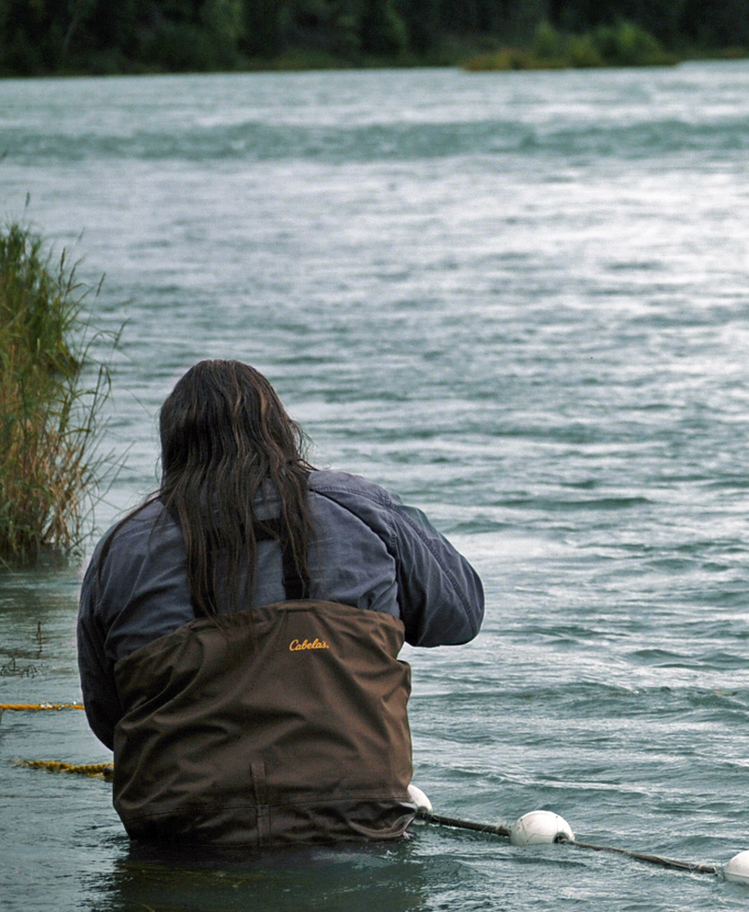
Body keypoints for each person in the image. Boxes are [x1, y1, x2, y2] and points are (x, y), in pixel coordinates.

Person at [76, 360, 484, 847]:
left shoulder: (122, 549)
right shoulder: (362, 507)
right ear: (281, 432)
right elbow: (460, 615)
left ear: (173, 447)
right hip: (358, 820)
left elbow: (109, 718)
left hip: (181, 833)